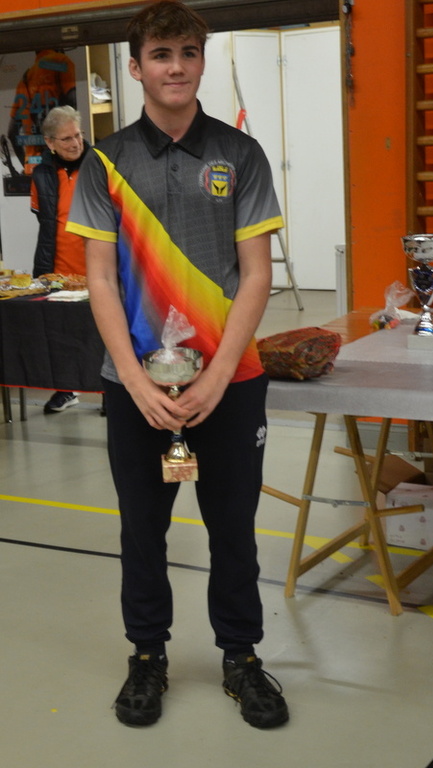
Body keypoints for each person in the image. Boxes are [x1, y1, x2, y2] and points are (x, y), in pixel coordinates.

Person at [67, 0, 289, 730]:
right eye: (161, 54)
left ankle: (242, 658)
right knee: (141, 533)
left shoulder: (240, 154)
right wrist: (135, 382)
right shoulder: (104, 162)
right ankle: (146, 655)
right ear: (135, 68)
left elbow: (256, 275)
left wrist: (218, 376)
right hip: (137, 389)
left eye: (188, 53)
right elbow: (100, 280)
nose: (176, 67)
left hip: (231, 383)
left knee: (234, 531)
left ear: (200, 60)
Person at [31, 105, 89, 414]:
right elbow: (43, 219)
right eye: (66, 138)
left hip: (97, 269)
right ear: (50, 142)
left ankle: (108, 392)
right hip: (56, 270)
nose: (75, 143)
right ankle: (66, 391)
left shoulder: (98, 165)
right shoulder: (41, 175)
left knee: (101, 334)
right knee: (59, 335)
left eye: (78, 135)